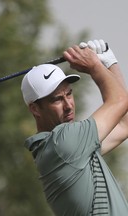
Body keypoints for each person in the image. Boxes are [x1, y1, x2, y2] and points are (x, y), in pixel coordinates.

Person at [21, 39, 128, 215]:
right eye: (57, 99)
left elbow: (124, 125)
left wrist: (109, 64)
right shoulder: (62, 143)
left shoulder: (69, 148)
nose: (68, 105)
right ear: (35, 108)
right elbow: (120, 101)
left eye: (69, 94)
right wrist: (96, 66)